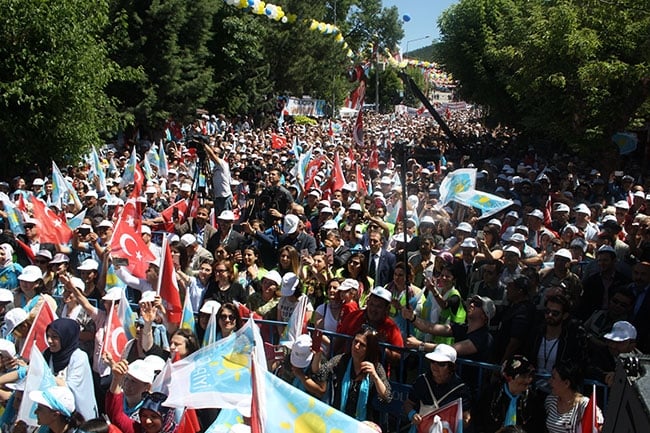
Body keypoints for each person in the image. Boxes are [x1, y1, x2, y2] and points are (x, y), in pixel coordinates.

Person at [313, 328, 391, 422]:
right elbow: (320, 374)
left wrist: (374, 376)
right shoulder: (341, 360)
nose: (356, 346)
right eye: (356, 341)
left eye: (362, 345)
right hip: (339, 419)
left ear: (369, 349)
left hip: (363, 424)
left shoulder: (376, 368)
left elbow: (386, 396)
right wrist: (317, 356)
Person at [403, 345, 472, 432]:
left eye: (441, 364)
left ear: (451, 367)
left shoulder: (461, 389)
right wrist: (412, 415)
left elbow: (466, 418)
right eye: (433, 361)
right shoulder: (422, 381)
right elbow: (408, 403)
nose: (435, 366)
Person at [43, 318, 98, 421]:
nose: (49, 341)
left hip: (78, 416)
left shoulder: (79, 357)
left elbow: (71, 387)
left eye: (54, 337)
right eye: (48, 336)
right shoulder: (47, 354)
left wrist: (44, 375)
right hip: (54, 415)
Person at [105, 360, 177, 433]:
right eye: (144, 416)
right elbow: (116, 415)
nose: (148, 421)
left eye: (154, 417)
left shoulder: (181, 430)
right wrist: (116, 379)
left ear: (165, 418)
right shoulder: (138, 430)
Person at [476, 355, 539, 433]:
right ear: (510, 378)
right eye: (523, 377)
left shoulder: (532, 398)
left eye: (530, 376)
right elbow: (479, 422)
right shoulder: (492, 393)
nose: (528, 380)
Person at [544, 362, 603, 433]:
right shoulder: (550, 401)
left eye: (553, 378)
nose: (549, 381)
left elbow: (599, 428)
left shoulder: (584, 404)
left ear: (566, 383)